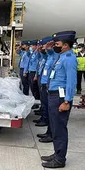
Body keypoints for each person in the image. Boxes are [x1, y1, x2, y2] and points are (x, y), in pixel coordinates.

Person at [41, 31, 77, 168]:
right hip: (54, 95)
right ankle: (57, 153)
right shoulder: (61, 56)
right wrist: (49, 48)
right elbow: (51, 55)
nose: (55, 45)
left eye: (57, 44)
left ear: (66, 45)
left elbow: (71, 82)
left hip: (60, 97)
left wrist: (67, 101)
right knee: (55, 127)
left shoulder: (69, 58)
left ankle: (60, 159)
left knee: (60, 128)